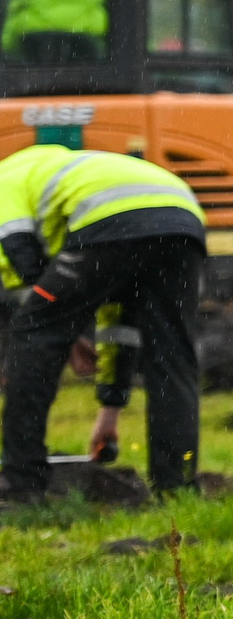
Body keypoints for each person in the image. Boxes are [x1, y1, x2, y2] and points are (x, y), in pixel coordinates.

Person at [0, 146, 206, 498]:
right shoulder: (65, 173)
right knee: (172, 355)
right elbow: (117, 325)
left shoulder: (6, 177)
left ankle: (22, 483)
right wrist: (111, 407)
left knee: (31, 334)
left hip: (108, 219)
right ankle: (177, 486)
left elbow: (16, 247)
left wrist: (60, 327)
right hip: (182, 218)